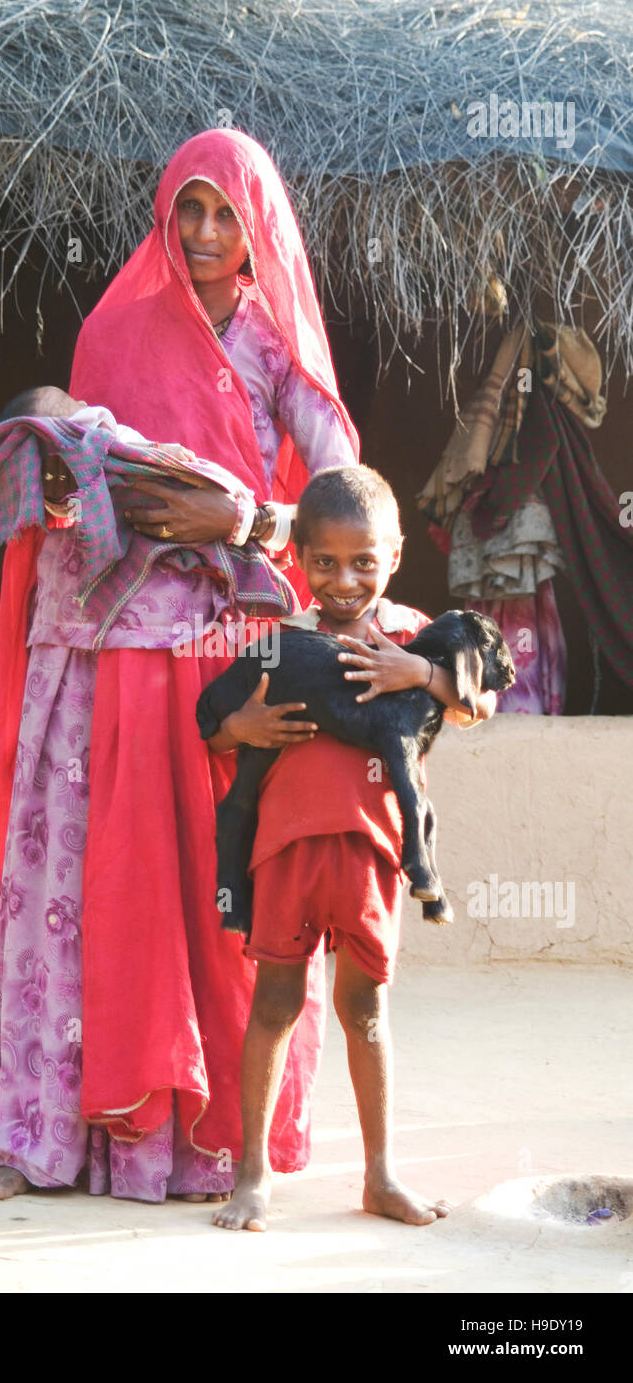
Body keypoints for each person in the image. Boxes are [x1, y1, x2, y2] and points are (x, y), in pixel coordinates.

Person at [0, 129, 359, 1203]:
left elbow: (352, 506)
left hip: (213, 658)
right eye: (187, 209)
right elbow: (66, 480)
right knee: (77, 886)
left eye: (226, 215)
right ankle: (52, 1137)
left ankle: (200, 1142)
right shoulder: (112, 331)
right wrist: (57, 494)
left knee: (208, 894)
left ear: (257, 231)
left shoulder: (278, 356)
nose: (202, 234)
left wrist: (243, 516)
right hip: (92, 653)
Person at [208, 465, 497, 1232]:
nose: (346, 580)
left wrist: (423, 673)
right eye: (327, 562)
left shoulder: (413, 635)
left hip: (372, 853)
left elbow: (482, 700)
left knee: (366, 1009)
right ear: (298, 557)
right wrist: (242, 731)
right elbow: (212, 720)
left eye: (365, 561)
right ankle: (253, 1174)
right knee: (275, 1003)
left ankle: (379, 1174)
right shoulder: (280, 646)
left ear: (394, 556)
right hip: (287, 851)